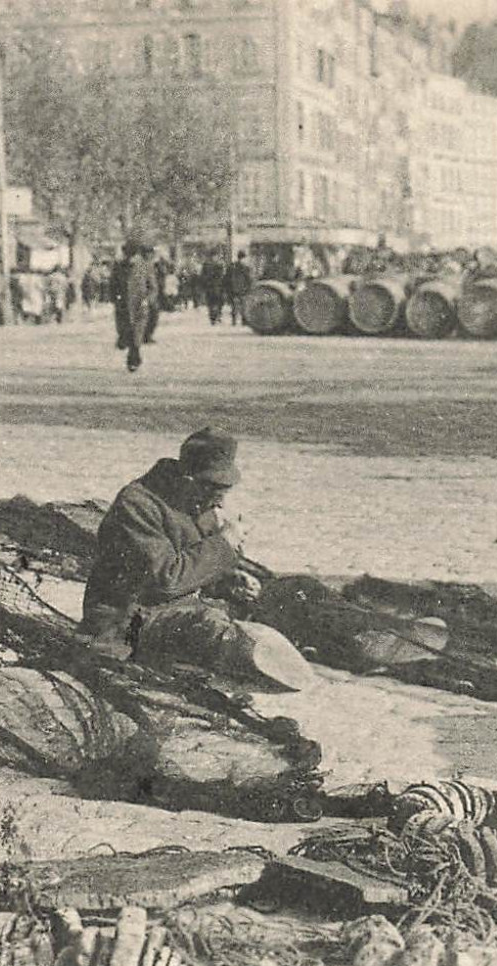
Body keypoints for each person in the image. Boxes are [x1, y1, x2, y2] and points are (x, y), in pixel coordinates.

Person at [80, 428, 311, 687]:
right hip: (124, 622)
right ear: (190, 480)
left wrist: (227, 580)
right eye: (217, 490)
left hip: (173, 611)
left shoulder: (196, 500)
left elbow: (193, 565)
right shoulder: (137, 505)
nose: (221, 503)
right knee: (215, 629)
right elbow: (167, 579)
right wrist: (223, 544)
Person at [124, 243, 161, 372]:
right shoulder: (123, 266)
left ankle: (133, 357)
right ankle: (134, 356)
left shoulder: (146, 266)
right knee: (131, 331)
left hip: (139, 303)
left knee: (136, 330)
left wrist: (147, 300)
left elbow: (153, 287)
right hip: (127, 304)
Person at [225, 250, 253, 326]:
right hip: (243, 289)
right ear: (243, 258)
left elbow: (227, 278)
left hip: (233, 288)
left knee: (234, 305)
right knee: (243, 305)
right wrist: (250, 287)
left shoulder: (232, 266)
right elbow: (249, 279)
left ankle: (234, 321)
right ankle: (244, 321)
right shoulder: (245, 267)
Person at [201, 255, 226, 325]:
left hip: (210, 287)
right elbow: (222, 277)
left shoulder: (206, 266)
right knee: (217, 302)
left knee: (211, 303)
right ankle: (217, 315)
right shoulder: (219, 266)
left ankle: (213, 317)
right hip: (217, 287)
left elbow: (202, 277)